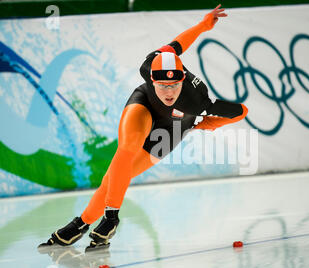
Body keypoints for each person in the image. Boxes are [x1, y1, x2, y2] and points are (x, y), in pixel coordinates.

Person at [39, 4, 248, 251]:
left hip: (175, 127)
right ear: (151, 78)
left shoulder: (198, 101)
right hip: (145, 106)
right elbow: (179, 43)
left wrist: (205, 124)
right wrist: (204, 25)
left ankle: (79, 225)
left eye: (174, 86)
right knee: (125, 152)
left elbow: (241, 112)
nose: (169, 92)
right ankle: (111, 218)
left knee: (113, 179)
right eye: (162, 85)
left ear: (182, 80)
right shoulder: (149, 64)